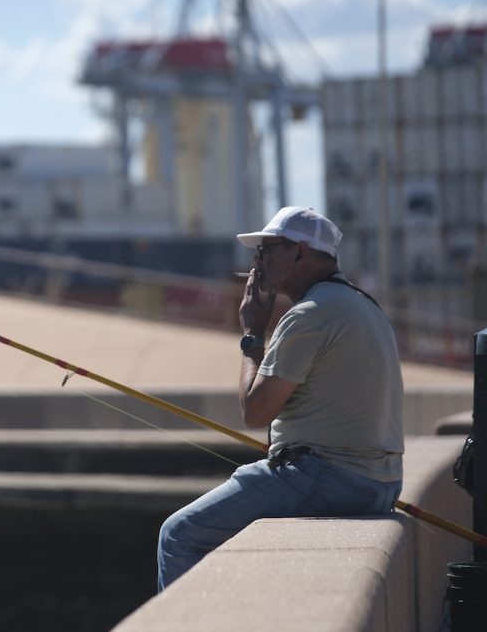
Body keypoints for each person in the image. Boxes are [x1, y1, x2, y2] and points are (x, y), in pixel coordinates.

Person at [156, 206, 404, 591]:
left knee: (178, 534)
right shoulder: (364, 306)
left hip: (327, 479)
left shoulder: (308, 315)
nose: (256, 261)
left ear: (300, 254)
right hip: (381, 484)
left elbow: (255, 411)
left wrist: (253, 332)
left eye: (267, 250)